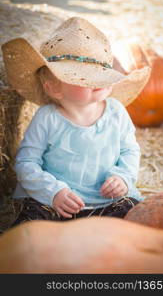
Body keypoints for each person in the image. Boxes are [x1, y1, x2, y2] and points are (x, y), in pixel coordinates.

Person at [2, 17, 150, 224]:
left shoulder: (116, 112)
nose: (97, 81)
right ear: (54, 88)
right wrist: (54, 192)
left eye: (101, 74)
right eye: (83, 77)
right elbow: (27, 162)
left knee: (133, 215)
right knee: (32, 224)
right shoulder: (48, 118)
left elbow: (129, 150)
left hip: (107, 199)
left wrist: (123, 177)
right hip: (59, 201)